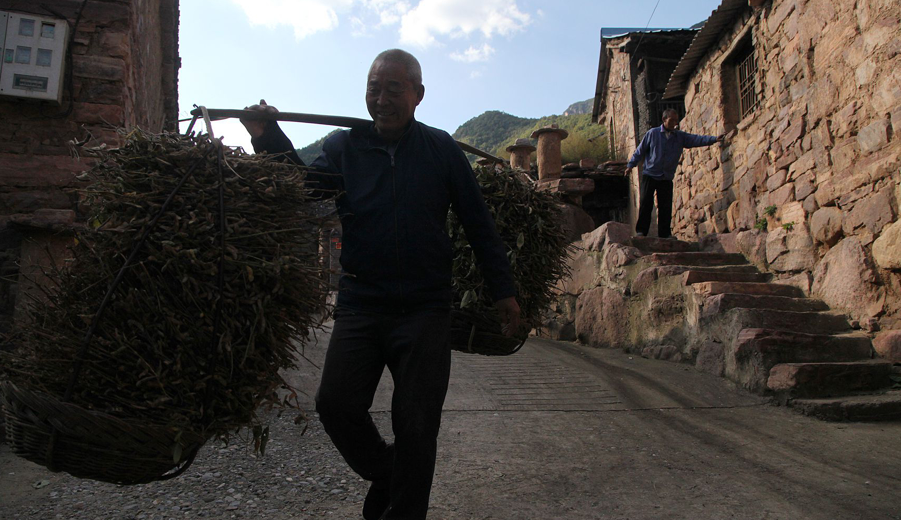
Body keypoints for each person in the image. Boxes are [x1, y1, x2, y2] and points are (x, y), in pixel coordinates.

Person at [241, 49, 521, 520]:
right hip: (361, 302)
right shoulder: (345, 148)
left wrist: (503, 291)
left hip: (426, 308)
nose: (382, 98)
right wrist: (268, 137)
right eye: (374, 88)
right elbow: (303, 189)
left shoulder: (440, 149)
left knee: (417, 425)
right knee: (335, 405)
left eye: (394, 88)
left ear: (418, 95)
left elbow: (479, 224)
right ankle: (388, 470)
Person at [625, 108, 726, 239]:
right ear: (664, 119)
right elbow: (640, 151)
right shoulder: (653, 134)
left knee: (665, 206)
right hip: (650, 174)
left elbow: (696, 139)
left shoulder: (680, 136)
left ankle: (665, 234)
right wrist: (630, 165)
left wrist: (713, 139)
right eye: (671, 120)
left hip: (666, 176)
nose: (674, 123)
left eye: (675, 121)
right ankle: (641, 232)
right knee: (645, 203)